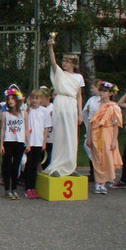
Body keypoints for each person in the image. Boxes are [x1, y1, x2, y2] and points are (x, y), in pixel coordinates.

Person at [44, 40, 83, 177]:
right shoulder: (60, 73)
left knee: (71, 135)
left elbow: (79, 96)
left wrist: (80, 113)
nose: (64, 64)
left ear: (73, 64)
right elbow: (53, 63)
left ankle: (69, 166)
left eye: (67, 62)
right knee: (60, 134)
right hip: (60, 101)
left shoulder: (78, 77)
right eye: (64, 61)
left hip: (71, 104)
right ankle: (57, 166)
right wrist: (51, 47)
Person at [86, 81, 123, 195]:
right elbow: (90, 122)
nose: (102, 93)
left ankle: (103, 183)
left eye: (105, 91)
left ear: (111, 93)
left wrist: (114, 140)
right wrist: (89, 138)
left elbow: (116, 124)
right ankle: (98, 182)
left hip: (107, 133)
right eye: (101, 90)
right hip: (96, 133)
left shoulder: (113, 107)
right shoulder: (95, 104)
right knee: (96, 158)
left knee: (106, 158)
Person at [23, 89, 51, 199]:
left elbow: (46, 128)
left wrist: (44, 142)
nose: (35, 100)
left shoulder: (44, 111)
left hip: (39, 142)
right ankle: (27, 188)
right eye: (33, 98)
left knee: (35, 165)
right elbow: (24, 119)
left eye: (37, 98)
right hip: (29, 142)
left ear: (41, 100)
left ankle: (33, 187)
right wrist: (28, 105)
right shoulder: (27, 111)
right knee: (28, 165)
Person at [0, 87, 25, 200]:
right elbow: (3, 129)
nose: (10, 101)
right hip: (8, 141)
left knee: (16, 166)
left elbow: (27, 128)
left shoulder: (23, 114)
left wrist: (28, 144)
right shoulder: (5, 114)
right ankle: (7, 189)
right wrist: (1, 144)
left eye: (12, 98)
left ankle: (14, 188)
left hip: (19, 142)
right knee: (7, 166)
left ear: (17, 100)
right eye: (8, 99)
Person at [81, 79, 102, 180]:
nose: (91, 89)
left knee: (100, 151)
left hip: (101, 128)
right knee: (89, 147)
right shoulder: (91, 99)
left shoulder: (104, 100)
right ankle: (93, 171)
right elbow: (85, 112)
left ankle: (101, 173)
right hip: (91, 126)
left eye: (93, 87)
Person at [40, 87, 55, 170]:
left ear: (48, 98)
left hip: (51, 137)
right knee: (41, 157)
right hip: (40, 138)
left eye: (42, 98)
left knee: (49, 156)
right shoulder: (39, 109)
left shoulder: (53, 108)